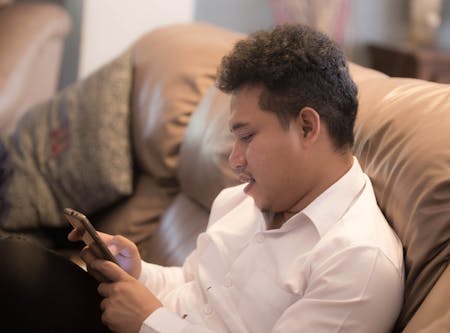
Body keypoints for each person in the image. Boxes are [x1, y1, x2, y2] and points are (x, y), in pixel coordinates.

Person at [69, 23, 404, 333]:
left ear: (307, 127)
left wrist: (149, 323)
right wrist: (138, 273)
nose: (234, 159)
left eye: (247, 137)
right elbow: (191, 285)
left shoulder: (357, 262)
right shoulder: (241, 200)